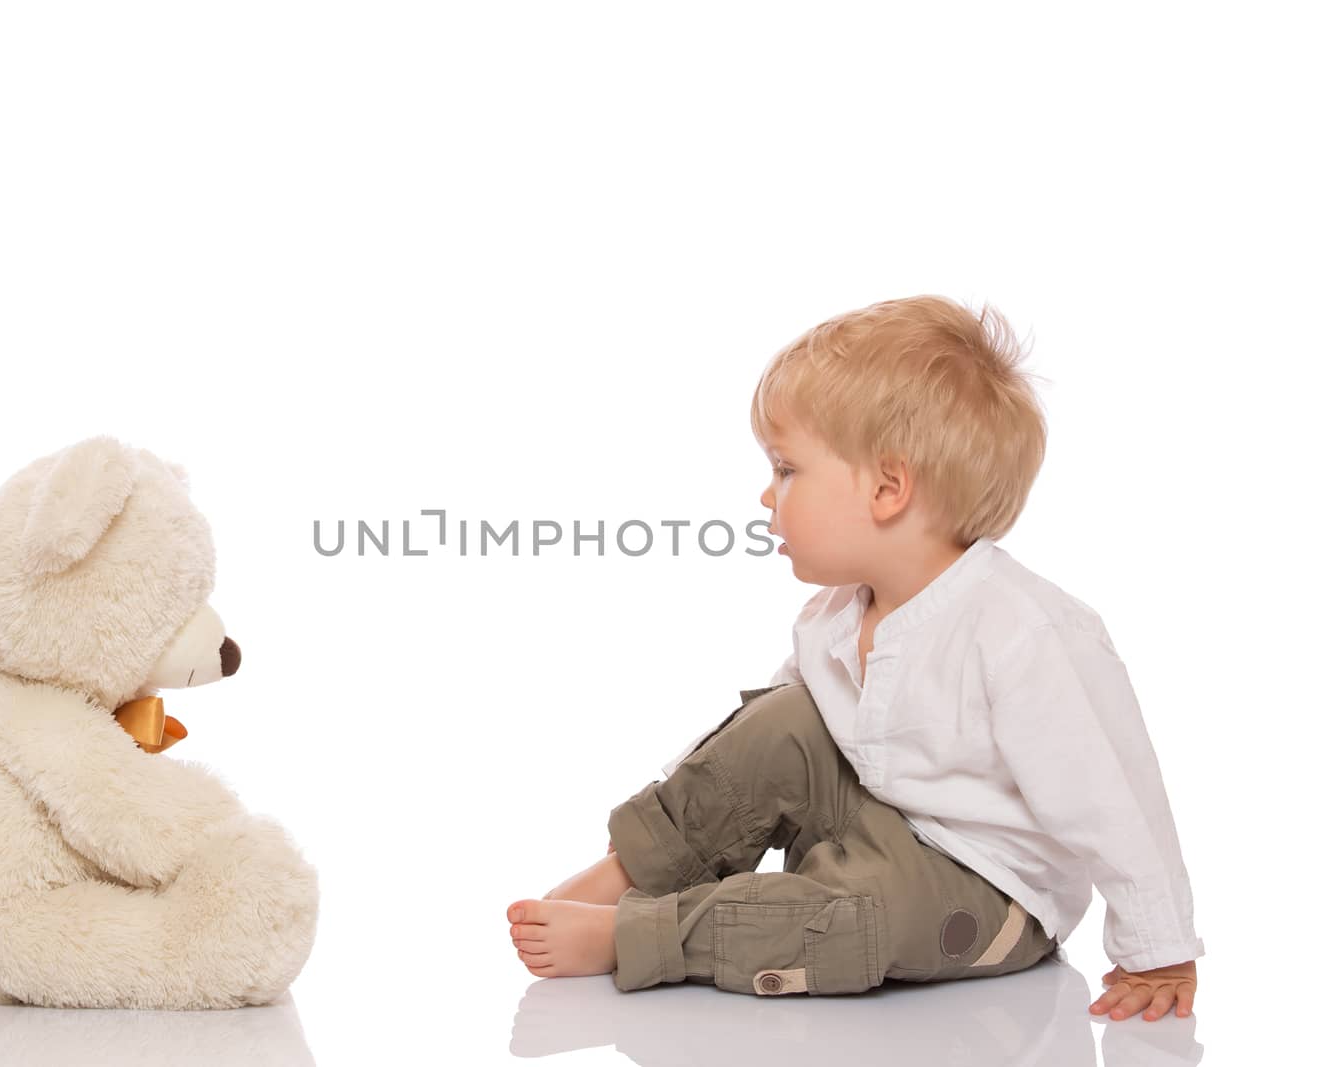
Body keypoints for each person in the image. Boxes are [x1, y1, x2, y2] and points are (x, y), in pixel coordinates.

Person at [505, 295, 1202, 1023]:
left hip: (984, 887)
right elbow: (751, 754)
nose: (765, 496)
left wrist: (1160, 944)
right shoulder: (839, 609)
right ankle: (631, 874)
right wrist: (684, 819)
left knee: (852, 914)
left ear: (887, 488)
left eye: (787, 471)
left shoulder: (1022, 630)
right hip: (879, 819)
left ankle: (642, 934)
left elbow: (1114, 795)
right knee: (783, 720)